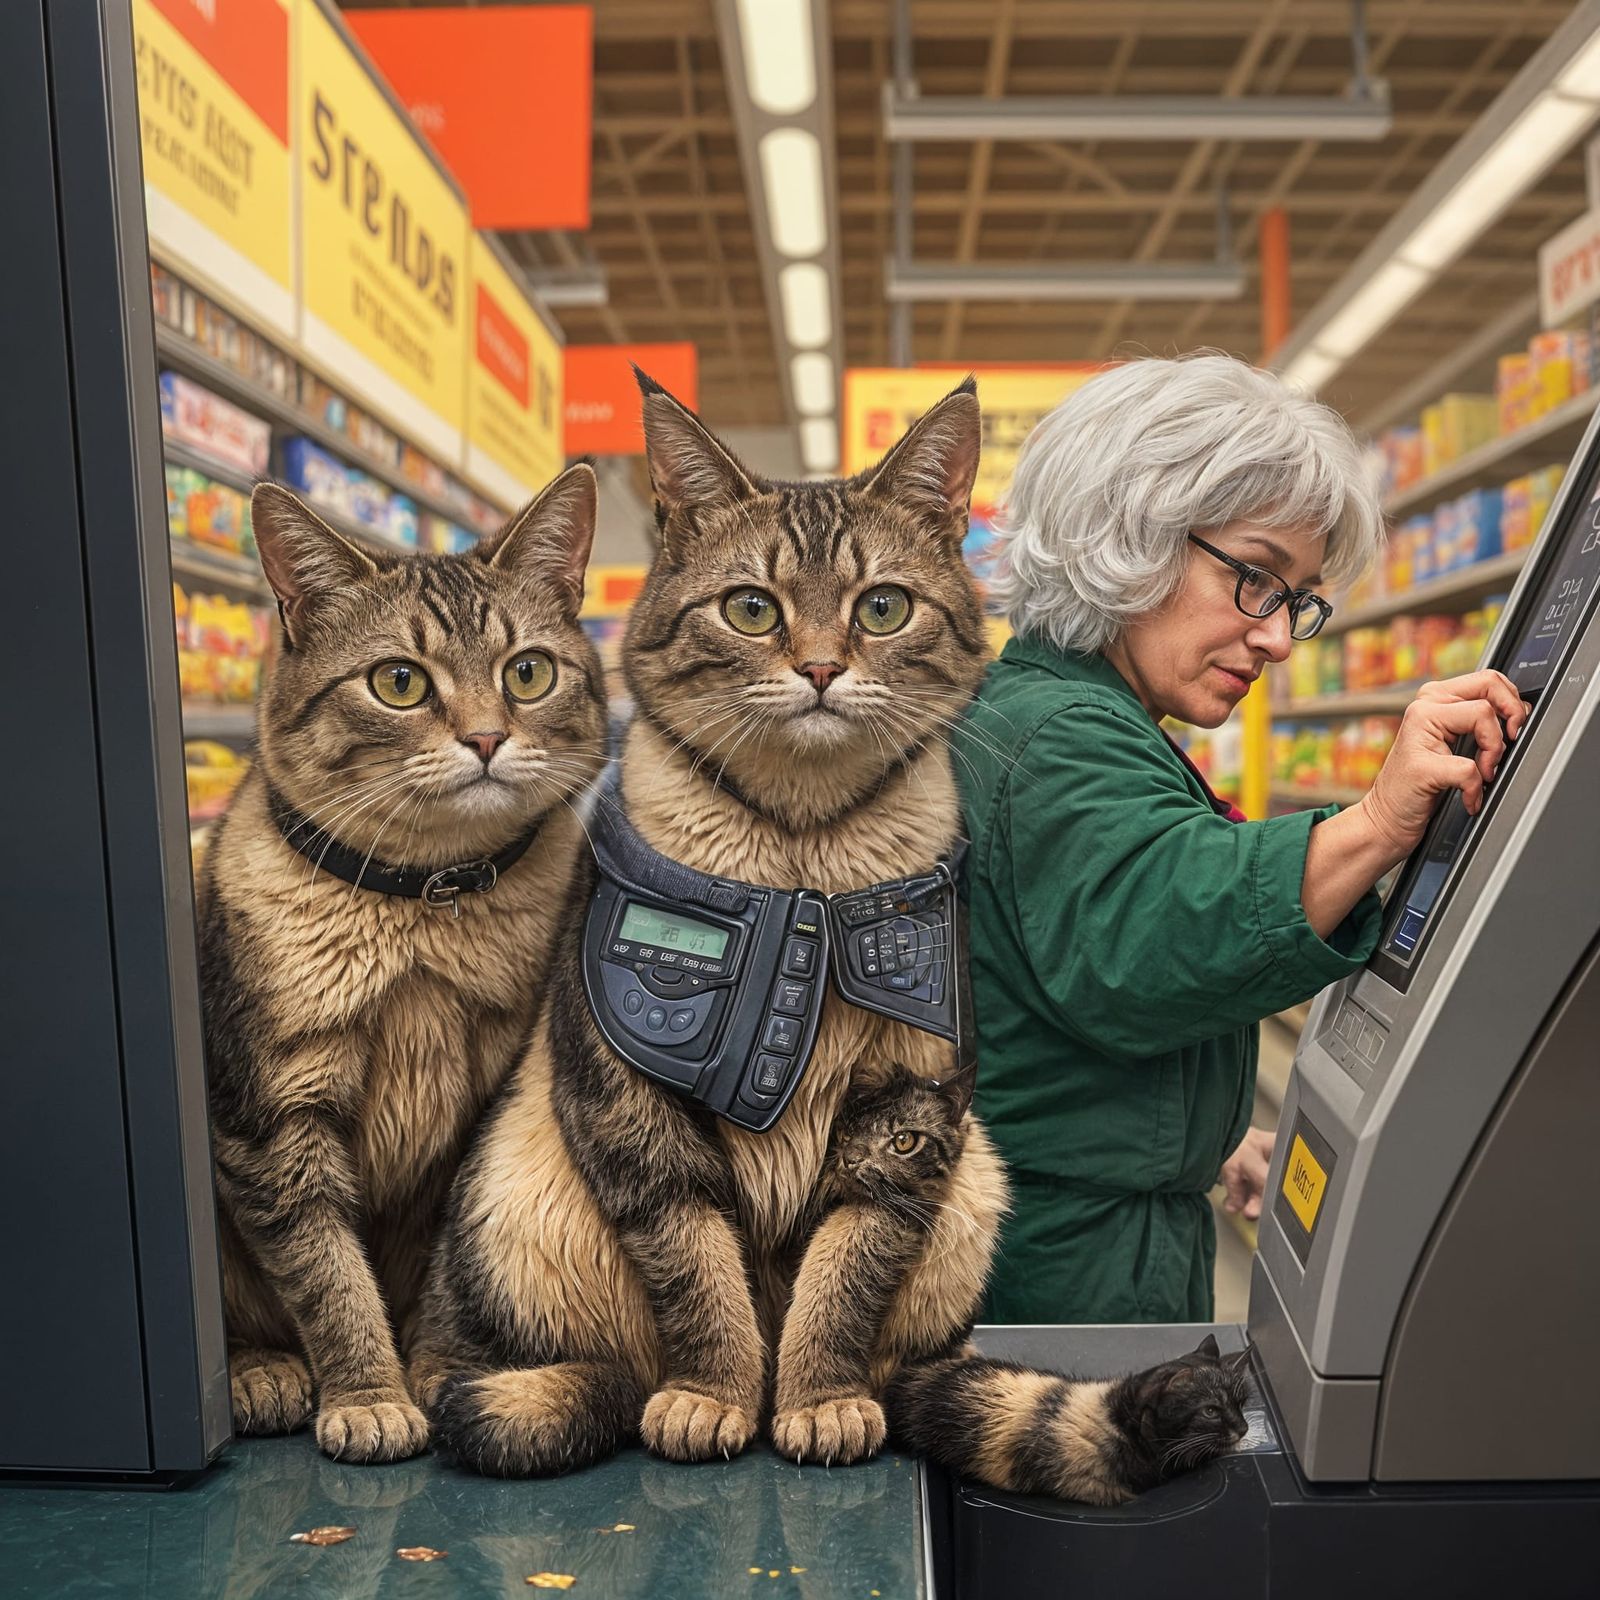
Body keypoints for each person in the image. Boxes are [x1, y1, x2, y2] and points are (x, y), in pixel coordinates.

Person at [959, 354, 1528, 1325]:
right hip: (1061, 1284)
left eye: (1296, 599)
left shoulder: (1051, 713)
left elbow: (1042, 1017)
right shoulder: (1059, 735)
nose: (1277, 638)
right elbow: (1155, 929)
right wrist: (1379, 820)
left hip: (1068, 1229)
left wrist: (1196, 1141)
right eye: (1255, 579)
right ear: (1128, 532)